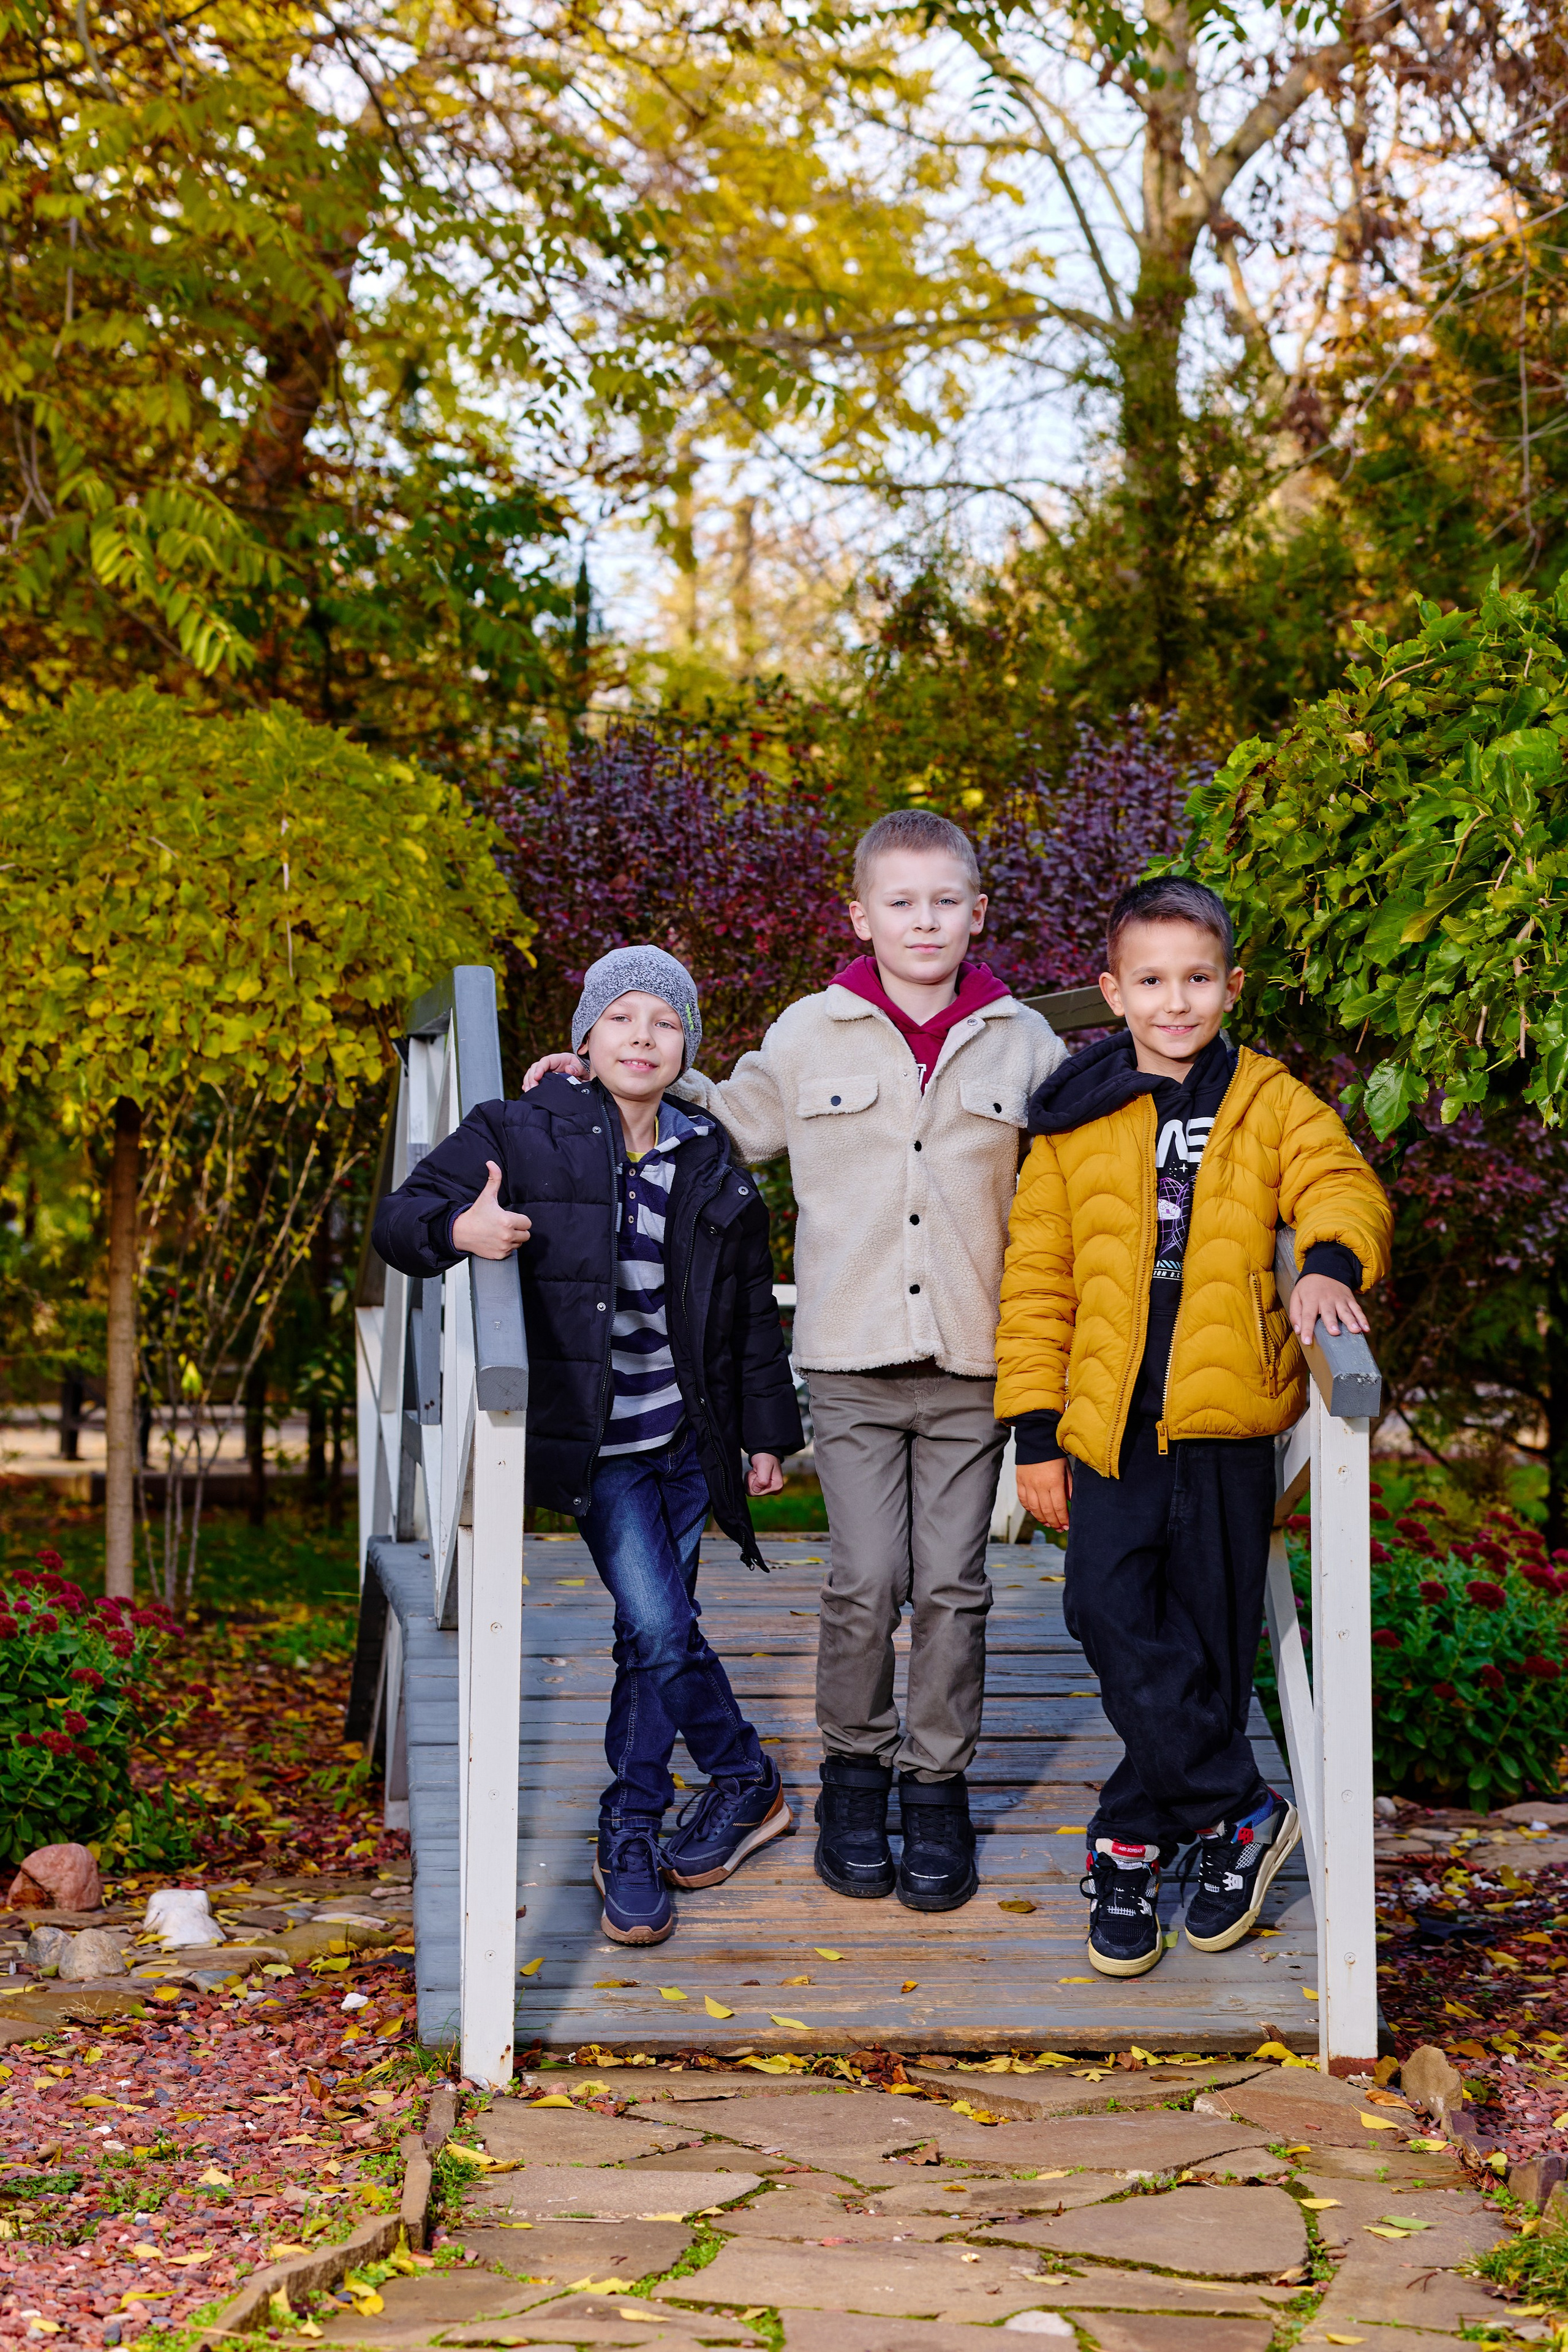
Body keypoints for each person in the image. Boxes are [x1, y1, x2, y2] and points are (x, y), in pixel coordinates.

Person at [524, 812, 1067, 1912]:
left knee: (956, 1588)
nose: (925, 921)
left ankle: (937, 1789)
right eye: (900, 903)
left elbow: (1078, 1165)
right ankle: (856, 1780)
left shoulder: (1024, 1041)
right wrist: (601, 1074)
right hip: (853, 1359)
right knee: (866, 1581)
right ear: (861, 916)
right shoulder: (812, 1031)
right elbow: (726, 1111)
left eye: (946, 901)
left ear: (976, 913)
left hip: (975, 1360)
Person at [995, 876, 1393, 1978]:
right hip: (1107, 1427)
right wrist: (1034, 1433)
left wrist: (1324, 1266)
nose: (1178, 1002)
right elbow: (1035, 1284)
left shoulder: (1271, 1100)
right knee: (1104, 1609)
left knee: (1212, 1646)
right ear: (1114, 991)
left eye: (1199, 979)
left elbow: (1342, 1185)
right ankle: (1239, 1807)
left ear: (1232, 985)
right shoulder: (1073, 1118)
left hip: (1225, 1425)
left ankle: (1135, 1841)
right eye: (1154, 981)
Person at [372, 945, 803, 1949]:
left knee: (649, 1635)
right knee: (658, 1627)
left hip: (690, 1437)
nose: (642, 1037)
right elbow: (402, 1219)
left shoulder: (705, 1154)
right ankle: (721, 1784)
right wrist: (462, 1234)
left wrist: (766, 1434)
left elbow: (744, 1314)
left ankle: (655, 1816)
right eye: (622, 1020)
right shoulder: (521, 1133)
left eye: (664, 1023)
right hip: (605, 1444)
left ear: (686, 1048)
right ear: (585, 1039)